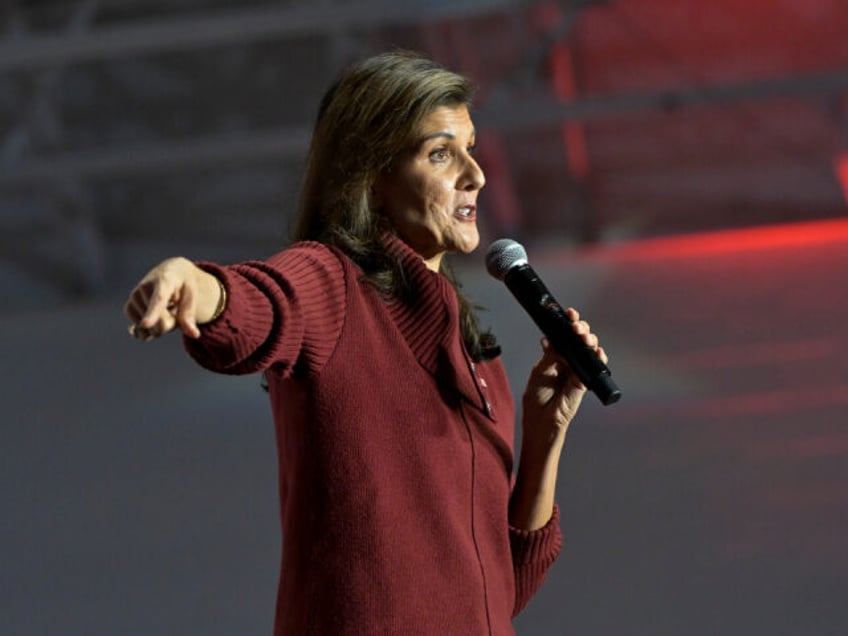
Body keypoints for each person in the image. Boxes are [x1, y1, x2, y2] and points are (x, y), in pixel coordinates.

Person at [124, 50, 608, 635]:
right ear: (371, 181)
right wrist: (193, 286)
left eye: (471, 148)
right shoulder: (332, 285)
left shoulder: (475, 351)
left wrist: (545, 434)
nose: (474, 174)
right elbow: (259, 304)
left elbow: (502, 591)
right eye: (439, 153)